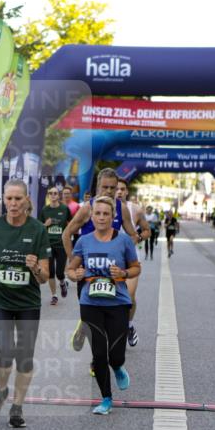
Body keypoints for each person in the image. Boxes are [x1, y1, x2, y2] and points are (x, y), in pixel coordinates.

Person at [0, 179, 50, 428]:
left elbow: (45, 277)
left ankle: (17, 406)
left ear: (27, 200)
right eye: (9, 199)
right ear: (3, 200)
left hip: (27, 301)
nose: (13, 203)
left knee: (25, 357)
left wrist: (35, 267)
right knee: (5, 349)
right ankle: (1, 390)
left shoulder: (38, 230)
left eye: (18, 199)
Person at [67, 196, 141, 415]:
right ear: (91, 216)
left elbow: (136, 268)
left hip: (118, 303)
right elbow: (71, 270)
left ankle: (118, 366)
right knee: (99, 354)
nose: (101, 217)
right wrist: (75, 274)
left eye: (105, 214)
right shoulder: (84, 241)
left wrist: (124, 273)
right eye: (97, 213)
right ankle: (106, 399)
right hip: (90, 303)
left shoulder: (124, 241)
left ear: (113, 216)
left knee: (114, 355)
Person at [62, 168, 138, 353]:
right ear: (97, 186)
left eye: (113, 187)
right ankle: (85, 327)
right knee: (91, 314)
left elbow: (133, 235)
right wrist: (75, 261)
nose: (109, 191)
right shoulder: (88, 208)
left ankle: (96, 361)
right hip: (88, 272)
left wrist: (124, 253)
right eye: (105, 187)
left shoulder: (121, 208)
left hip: (110, 273)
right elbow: (66, 234)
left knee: (104, 317)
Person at [117, 183, 150, 347]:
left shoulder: (135, 209)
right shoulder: (104, 207)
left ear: (126, 191)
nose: (119, 192)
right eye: (115, 188)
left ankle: (129, 326)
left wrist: (138, 237)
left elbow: (147, 230)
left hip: (131, 258)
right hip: (112, 258)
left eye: (122, 189)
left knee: (128, 297)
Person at [40, 186, 70, 305]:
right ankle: (54, 296)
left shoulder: (64, 209)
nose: (53, 195)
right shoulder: (44, 210)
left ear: (59, 195)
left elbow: (70, 224)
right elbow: (39, 228)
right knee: (51, 272)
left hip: (61, 244)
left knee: (59, 273)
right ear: (48, 196)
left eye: (55, 193)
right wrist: (44, 225)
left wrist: (68, 235)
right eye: (50, 193)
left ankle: (62, 283)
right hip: (48, 245)